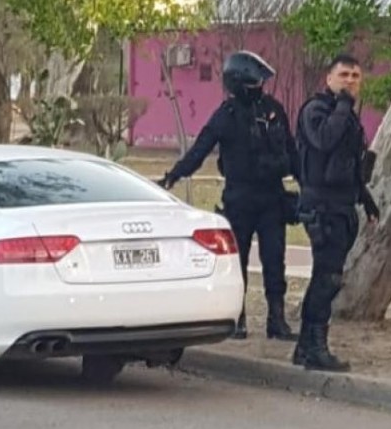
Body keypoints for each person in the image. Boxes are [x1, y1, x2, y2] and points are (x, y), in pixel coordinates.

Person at [157, 50, 300, 341]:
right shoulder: (226, 115)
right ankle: (239, 319)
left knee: (275, 262)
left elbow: (292, 152)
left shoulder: (274, 110)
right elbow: (200, 150)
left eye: (261, 82)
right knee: (238, 262)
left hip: (273, 198)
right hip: (239, 199)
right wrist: (174, 175)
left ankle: (277, 320)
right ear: (239, 84)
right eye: (254, 83)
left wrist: (306, 185)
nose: (259, 87)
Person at [291, 53, 379, 372]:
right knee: (327, 279)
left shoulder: (349, 117)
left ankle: (305, 347)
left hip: (342, 206)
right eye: (344, 75)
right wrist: (343, 105)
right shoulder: (315, 110)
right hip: (321, 207)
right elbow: (324, 141)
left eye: (356, 76)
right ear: (329, 79)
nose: (350, 81)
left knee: (325, 278)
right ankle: (315, 347)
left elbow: (349, 165)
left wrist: (366, 200)